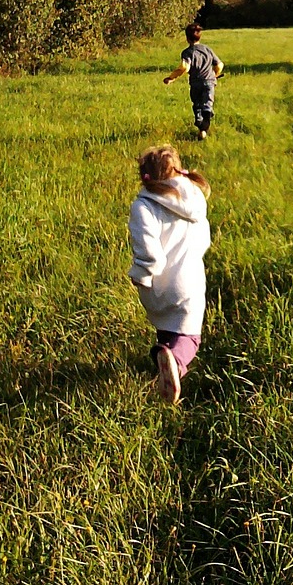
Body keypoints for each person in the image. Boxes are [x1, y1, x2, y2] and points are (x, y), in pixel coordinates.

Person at [127, 145, 211, 405]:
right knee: (189, 337)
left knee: (166, 328)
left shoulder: (143, 206)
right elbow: (204, 241)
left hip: (156, 286)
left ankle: (164, 359)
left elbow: (149, 251)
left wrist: (141, 273)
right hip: (188, 284)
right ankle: (175, 363)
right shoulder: (195, 201)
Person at [163, 22, 224, 140]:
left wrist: (171, 78)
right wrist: (215, 74)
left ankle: (200, 123)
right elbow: (220, 65)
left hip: (196, 84)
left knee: (197, 105)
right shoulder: (207, 49)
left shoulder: (187, 52)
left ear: (187, 38)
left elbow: (184, 67)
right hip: (209, 82)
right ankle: (204, 126)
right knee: (207, 104)